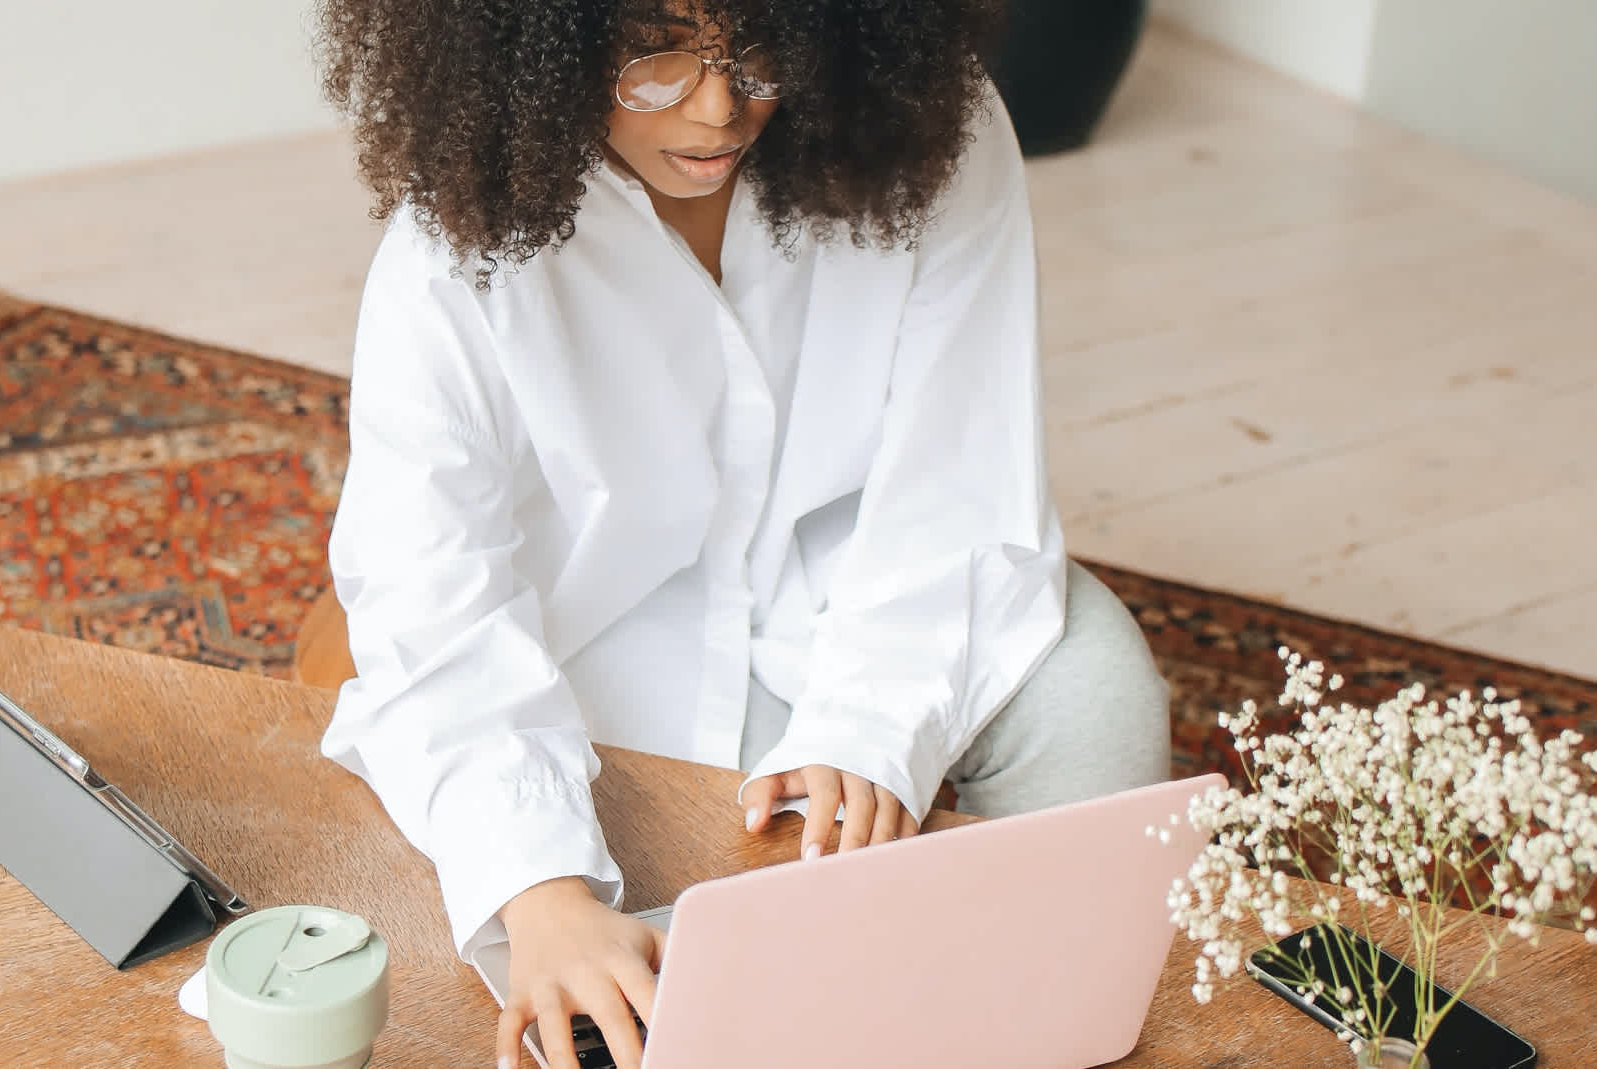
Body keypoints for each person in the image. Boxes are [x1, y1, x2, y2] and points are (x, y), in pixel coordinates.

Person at [297, 2, 1172, 1067]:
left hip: (866, 584)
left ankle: (1043, 1013)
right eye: (651, 49)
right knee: (638, 945)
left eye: (758, 39)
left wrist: (873, 724)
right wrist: (538, 888)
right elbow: (426, 592)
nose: (719, 105)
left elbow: (963, 471)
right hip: (591, 636)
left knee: (1099, 685)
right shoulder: (449, 244)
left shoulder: (933, 128)